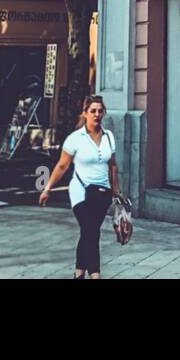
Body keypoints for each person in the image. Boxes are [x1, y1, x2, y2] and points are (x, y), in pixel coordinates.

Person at [39, 95, 120, 279]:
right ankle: (95, 275)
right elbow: (62, 166)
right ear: (85, 114)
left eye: (100, 111)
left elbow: (113, 165)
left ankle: (78, 273)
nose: (97, 114)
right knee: (91, 232)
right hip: (80, 193)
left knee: (89, 232)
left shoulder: (109, 136)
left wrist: (116, 191)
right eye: (93, 111)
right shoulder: (75, 139)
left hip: (103, 193)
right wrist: (48, 188)